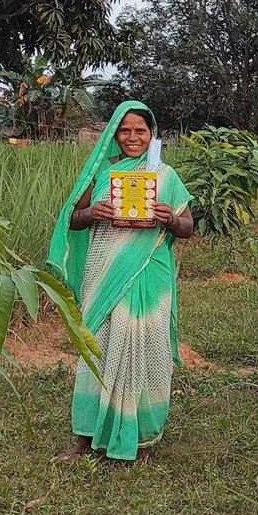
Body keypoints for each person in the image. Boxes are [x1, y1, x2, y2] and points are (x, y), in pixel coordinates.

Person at [48, 101, 195, 462]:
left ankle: (141, 437)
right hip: (104, 272)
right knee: (98, 345)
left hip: (149, 270)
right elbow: (72, 220)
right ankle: (85, 437)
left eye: (140, 131)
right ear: (114, 134)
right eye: (125, 131)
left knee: (146, 347)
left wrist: (170, 219)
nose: (133, 137)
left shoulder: (165, 176)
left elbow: (188, 226)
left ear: (152, 134)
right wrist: (90, 212)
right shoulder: (101, 174)